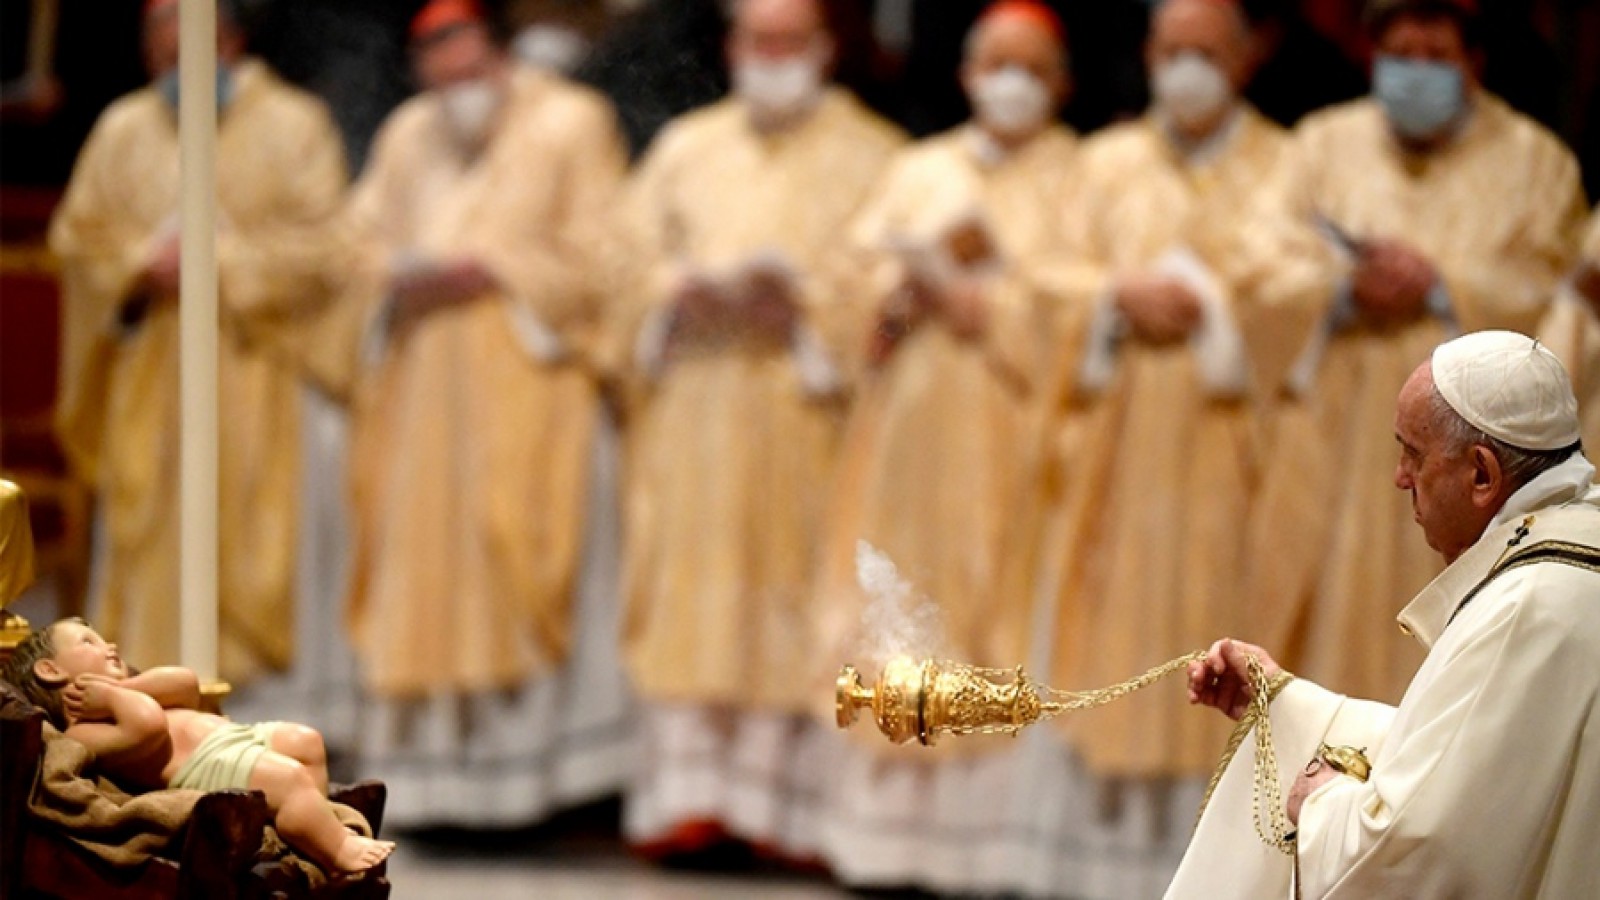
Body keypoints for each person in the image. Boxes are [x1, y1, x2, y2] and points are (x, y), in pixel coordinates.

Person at [614, 0, 904, 860]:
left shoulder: (877, 154)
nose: (772, 57)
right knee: (693, 603)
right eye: (756, 39)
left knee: (794, 602)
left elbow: (886, 283)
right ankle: (691, 802)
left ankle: (787, 815)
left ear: (826, 47)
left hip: (806, 417)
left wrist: (807, 311)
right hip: (695, 410)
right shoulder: (686, 147)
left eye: (790, 41)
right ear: (732, 46)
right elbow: (621, 262)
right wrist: (672, 293)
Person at [336, 0, 632, 828]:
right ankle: (432, 785)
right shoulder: (407, 134)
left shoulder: (573, 121)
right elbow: (354, 244)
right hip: (422, 401)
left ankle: (537, 788)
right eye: (441, 80)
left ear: (502, 56)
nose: (458, 93)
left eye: (472, 73)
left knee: (518, 559)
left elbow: (607, 251)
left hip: (532, 390)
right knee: (423, 570)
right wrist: (396, 276)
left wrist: (499, 270)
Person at [1171, 330, 1600, 898]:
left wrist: (1321, 804)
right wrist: (1289, 706)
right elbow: (1472, 764)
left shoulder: (1525, 608)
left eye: (1413, 454)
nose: (1400, 477)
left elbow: (1417, 852)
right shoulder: (1573, 562)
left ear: (1481, 475)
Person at [1245, 0, 1589, 708]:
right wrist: (1340, 287)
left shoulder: (1536, 161)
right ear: (1373, 56)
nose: (1416, 72)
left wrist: (1440, 284)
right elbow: (1257, 265)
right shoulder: (1321, 144)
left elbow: (1560, 297)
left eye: (1436, 57)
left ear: (1475, 63)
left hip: (1472, 451)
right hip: (1335, 437)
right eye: (1401, 55)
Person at [807, 3, 1074, 892]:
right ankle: (885, 843)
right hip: (906, 444)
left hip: (1016, 440)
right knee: (899, 608)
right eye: (996, 64)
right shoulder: (917, 169)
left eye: (1031, 67)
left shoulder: (1081, 175)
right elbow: (846, 285)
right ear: (966, 75)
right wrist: (897, 294)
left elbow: (1088, 305)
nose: (1011, 84)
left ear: (1062, 83)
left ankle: (983, 848)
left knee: (993, 622)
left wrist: (989, 307)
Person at [1033, 0, 1310, 818]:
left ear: (1247, 58)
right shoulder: (1102, 162)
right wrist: (1112, 297)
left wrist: (1213, 308)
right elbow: (1041, 277)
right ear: (1149, 55)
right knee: (1110, 623)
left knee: (1223, 617)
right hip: (1114, 446)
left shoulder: (1288, 166)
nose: (1187, 69)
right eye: (1172, 50)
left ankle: (1220, 827)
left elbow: (1307, 285)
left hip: (1234, 449)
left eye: (1208, 52)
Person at [48, 0, 349, 686]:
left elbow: (329, 247)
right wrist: (139, 264)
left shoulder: (293, 124)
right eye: (159, 46)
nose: (172, 58)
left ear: (230, 39)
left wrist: (219, 262)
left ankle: (265, 714)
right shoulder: (124, 128)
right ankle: (145, 700)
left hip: (259, 368)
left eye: (185, 40)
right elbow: (79, 239)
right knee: (153, 529)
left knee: (253, 528)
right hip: (152, 367)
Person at [1, 618, 394, 875]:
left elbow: (186, 683)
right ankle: (335, 849)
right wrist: (113, 698)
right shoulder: (83, 732)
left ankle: (311, 827)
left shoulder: (129, 690)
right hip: (208, 767)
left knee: (305, 741)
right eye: (89, 641)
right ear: (50, 670)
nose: (110, 645)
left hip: (234, 738)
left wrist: (122, 687)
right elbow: (149, 726)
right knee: (290, 779)